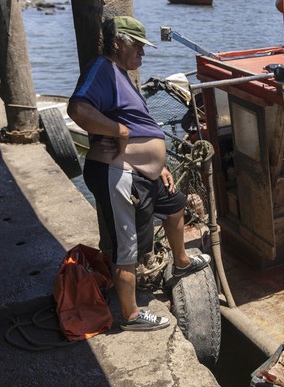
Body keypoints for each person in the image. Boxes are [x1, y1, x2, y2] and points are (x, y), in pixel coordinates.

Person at [67, 16, 210, 331]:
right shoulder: (102, 69)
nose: (143, 55)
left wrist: (157, 169)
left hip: (144, 173)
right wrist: (117, 129)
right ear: (118, 42)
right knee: (128, 246)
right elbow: (78, 109)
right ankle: (131, 315)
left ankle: (182, 262)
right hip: (119, 172)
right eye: (138, 47)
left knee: (175, 205)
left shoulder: (119, 73)